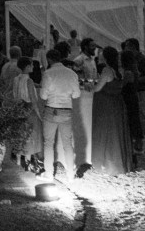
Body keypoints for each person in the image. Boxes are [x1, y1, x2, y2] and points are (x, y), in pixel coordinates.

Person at [90, 46, 133, 176]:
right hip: (117, 104)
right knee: (116, 132)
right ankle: (117, 163)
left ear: (105, 57)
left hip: (106, 105)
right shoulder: (119, 70)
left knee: (105, 133)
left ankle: (106, 164)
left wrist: (89, 86)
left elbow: (98, 88)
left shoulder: (107, 70)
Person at [39, 48, 80, 180]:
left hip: (51, 109)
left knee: (48, 143)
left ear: (49, 59)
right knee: (67, 143)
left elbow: (43, 96)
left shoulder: (48, 73)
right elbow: (76, 94)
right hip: (66, 110)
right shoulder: (72, 73)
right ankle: (70, 175)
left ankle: (49, 174)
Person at [11, 56, 43, 172]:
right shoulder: (29, 81)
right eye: (31, 65)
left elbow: (14, 94)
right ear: (27, 66)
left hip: (18, 108)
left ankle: (18, 160)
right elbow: (33, 100)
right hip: (28, 109)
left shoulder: (16, 79)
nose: (33, 67)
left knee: (20, 134)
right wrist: (39, 115)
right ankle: (28, 162)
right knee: (30, 135)